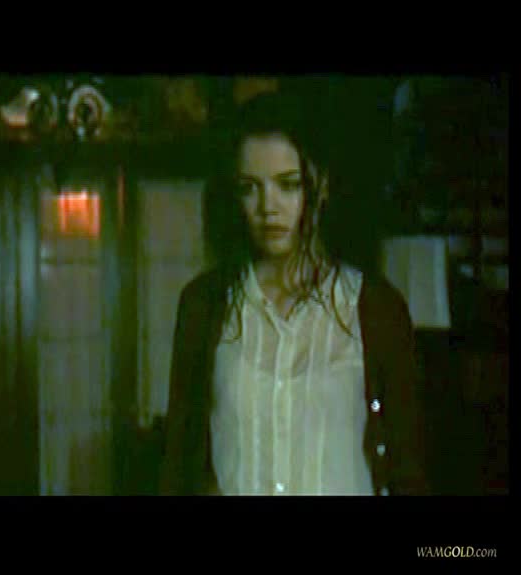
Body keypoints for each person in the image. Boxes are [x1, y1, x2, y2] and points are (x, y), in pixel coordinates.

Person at [160, 84, 427, 496]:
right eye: (251, 187)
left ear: (320, 185)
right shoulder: (204, 305)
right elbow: (180, 463)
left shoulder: (376, 309)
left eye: (288, 185)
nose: (268, 207)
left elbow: (408, 466)